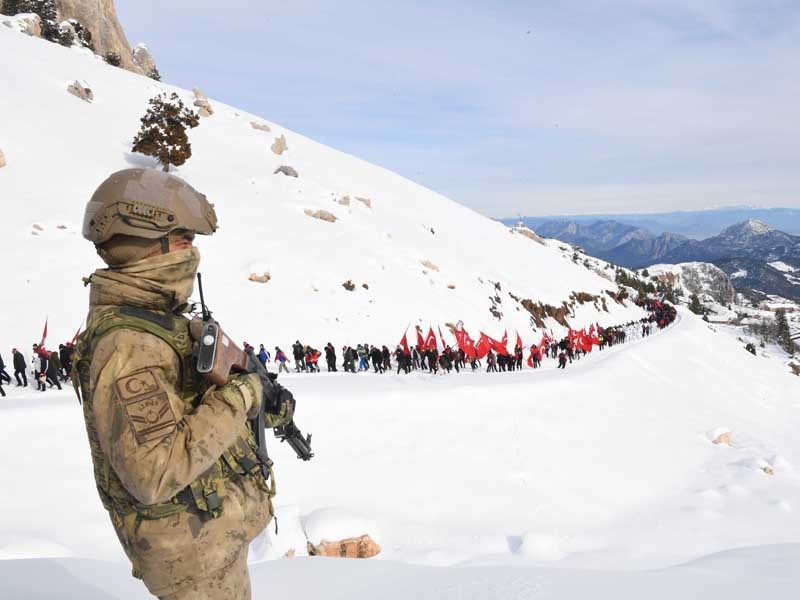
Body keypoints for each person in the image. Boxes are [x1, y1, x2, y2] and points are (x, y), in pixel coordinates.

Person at [75, 169, 297, 599]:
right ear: (143, 243)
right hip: (190, 556)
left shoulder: (158, 325)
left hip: (209, 536)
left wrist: (249, 393)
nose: (192, 254)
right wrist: (241, 395)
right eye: (184, 240)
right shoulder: (129, 346)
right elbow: (156, 472)